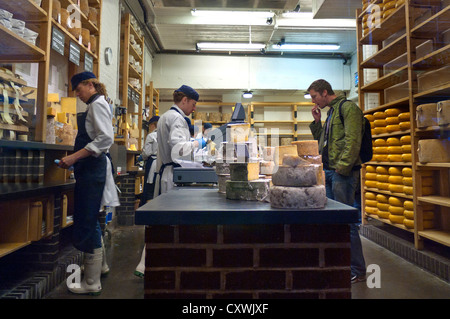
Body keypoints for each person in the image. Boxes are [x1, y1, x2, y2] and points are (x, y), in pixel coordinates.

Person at [58, 71, 119, 295]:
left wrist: (74, 157)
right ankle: (99, 267)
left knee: (86, 218)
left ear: (89, 84)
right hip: (90, 169)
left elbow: (105, 138)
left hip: (93, 169)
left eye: (78, 89)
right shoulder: (94, 104)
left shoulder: (98, 104)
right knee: (89, 216)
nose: (77, 94)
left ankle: (92, 283)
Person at [134, 84, 203, 277]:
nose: (194, 108)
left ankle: (145, 264)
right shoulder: (178, 119)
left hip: (166, 173)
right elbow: (179, 148)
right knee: (169, 223)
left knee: (161, 222)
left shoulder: (165, 116)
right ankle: (155, 265)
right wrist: (200, 142)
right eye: (193, 104)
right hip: (173, 175)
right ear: (184, 101)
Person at [308, 79, 366, 284]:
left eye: (315, 96)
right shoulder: (331, 112)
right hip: (331, 172)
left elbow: (353, 140)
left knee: (346, 222)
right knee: (333, 219)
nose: (313, 101)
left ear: (325, 92)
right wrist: (317, 123)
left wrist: (342, 167)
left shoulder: (348, 108)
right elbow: (323, 141)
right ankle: (340, 264)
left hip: (343, 173)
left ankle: (357, 270)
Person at [139, 115, 159, 207]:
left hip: (152, 163)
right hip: (162, 164)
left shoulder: (151, 136)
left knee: (149, 188)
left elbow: (146, 153)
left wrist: (141, 157)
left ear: (153, 125)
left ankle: (149, 210)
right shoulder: (165, 135)